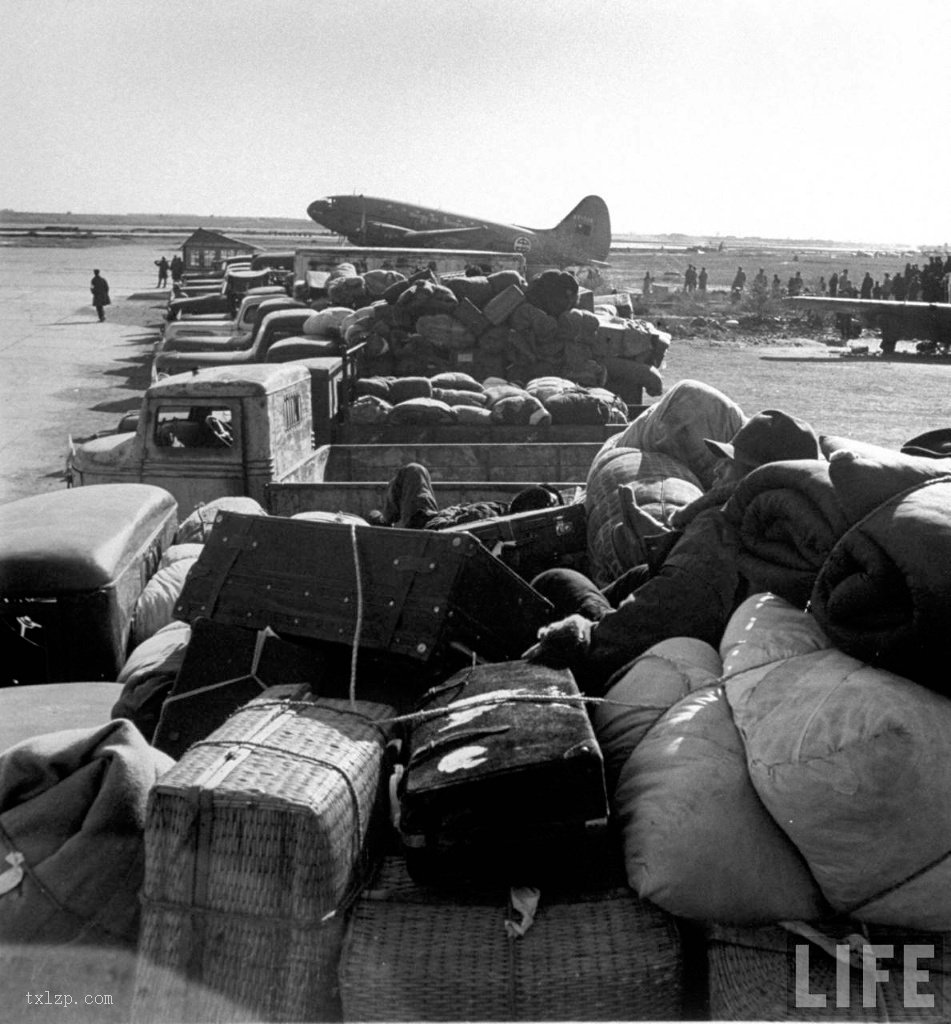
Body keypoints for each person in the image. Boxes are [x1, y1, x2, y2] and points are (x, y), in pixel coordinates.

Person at [524, 404, 821, 693]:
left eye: (729, 463)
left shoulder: (722, 524)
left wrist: (584, 636)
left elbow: (673, 607)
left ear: (754, 476)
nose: (717, 469)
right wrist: (664, 544)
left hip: (662, 654)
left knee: (558, 581)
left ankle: (525, 672)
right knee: (640, 575)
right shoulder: (799, 531)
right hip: (718, 639)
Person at [373, 462, 564, 531]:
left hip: (424, 526)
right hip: (435, 519)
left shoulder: (489, 519)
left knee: (414, 471)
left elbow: (442, 529)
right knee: (415, 472)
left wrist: (454, 510)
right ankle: (385, 519)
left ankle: (384, 520)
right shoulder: (503, 511)